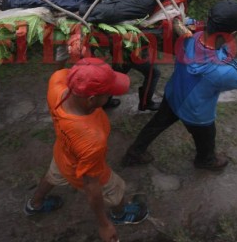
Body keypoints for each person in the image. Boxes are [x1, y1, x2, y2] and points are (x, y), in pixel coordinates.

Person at [24, 58, 148, 242]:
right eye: (108, 93)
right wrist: (103, 225)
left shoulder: (57, 83)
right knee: (115, 190)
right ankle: (120, 214)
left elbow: (65, 71)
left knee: (54, 174)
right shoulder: (91, 140)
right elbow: (91, 186)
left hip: (63, 152)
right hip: (83, 167)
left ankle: (35, 204)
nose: (110, 96)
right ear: (91, 100)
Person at [121, 0, 237, 170]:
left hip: (174, 93)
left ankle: (134, 153)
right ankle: (205, 161)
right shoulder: (225, 70)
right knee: (206, 138)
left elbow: (181, 21)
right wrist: (226, 48)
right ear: (233, 33)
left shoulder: (189, 35)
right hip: (197, 111)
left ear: (208, 20)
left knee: (156, 125)